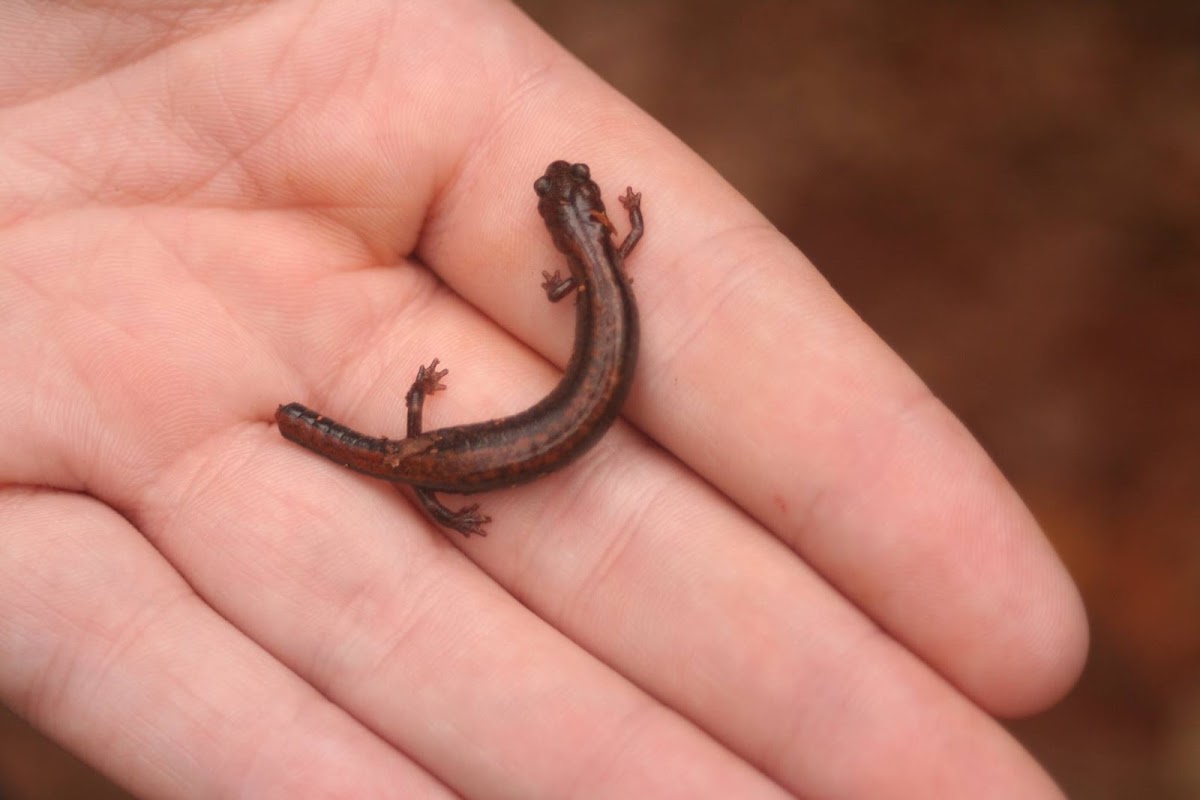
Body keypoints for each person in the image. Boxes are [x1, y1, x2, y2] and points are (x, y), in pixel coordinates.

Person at [0, 2, 1086, 797]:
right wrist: (436, 489)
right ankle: (339, 442)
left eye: (557, 203)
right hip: (502, 437)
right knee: (399, 455)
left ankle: (345, 443)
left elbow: (516, 357)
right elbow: (607, 268)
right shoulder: (604, 263)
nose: (554, 201)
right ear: (593, 228)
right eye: (557, 201)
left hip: (484, 443)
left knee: (406, 454)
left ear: (582, 230)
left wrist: (436, 485)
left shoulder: (582, 277)